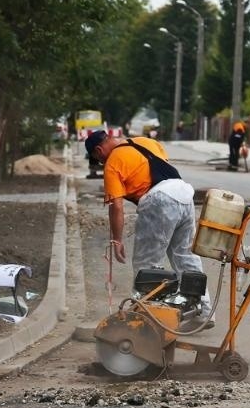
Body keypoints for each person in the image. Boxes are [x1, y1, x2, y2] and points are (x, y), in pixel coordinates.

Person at [85, 130, 214, 330]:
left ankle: (150, 321)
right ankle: (204, 313)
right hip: (183, 193)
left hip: (159, 200)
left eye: (97, 159)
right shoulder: (145, 141)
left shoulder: (112, 163)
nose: (100, 163)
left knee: (147, 265)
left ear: (99, 150)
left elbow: (116, 206)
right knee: (186, 257)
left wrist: (117, 240)